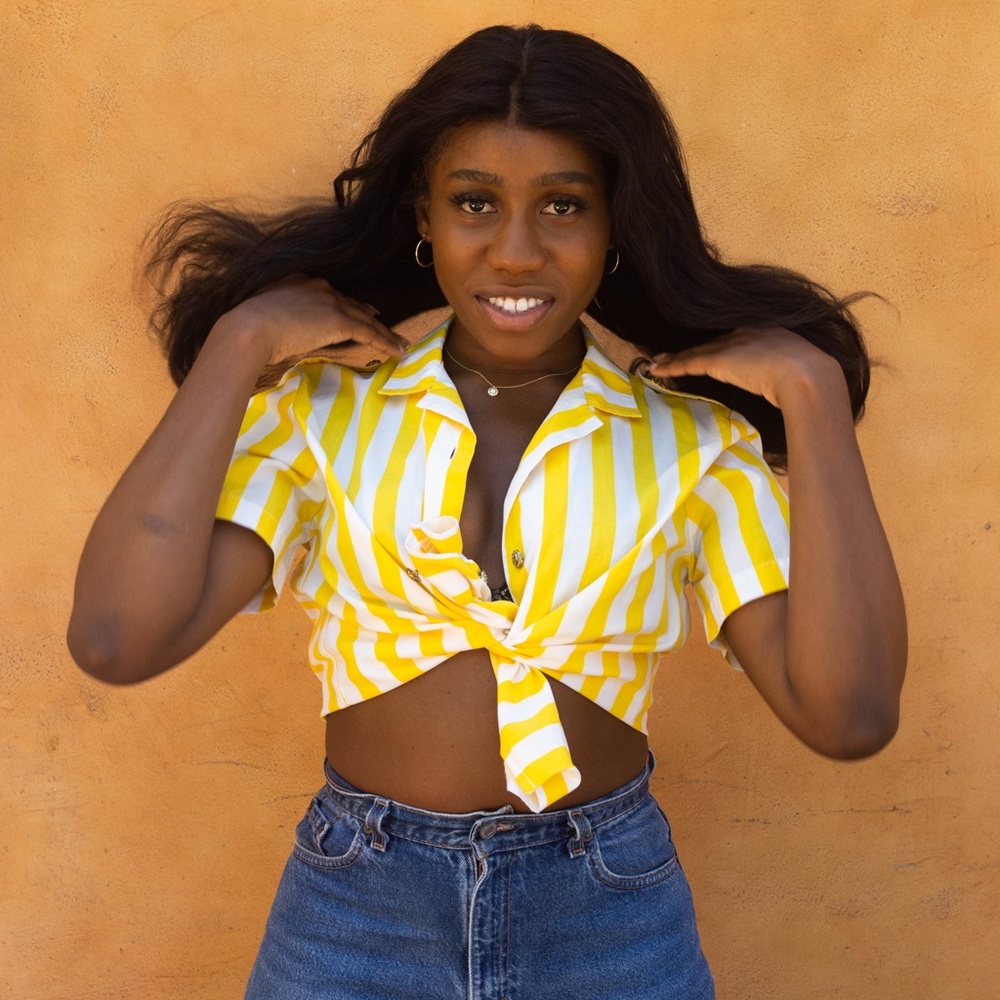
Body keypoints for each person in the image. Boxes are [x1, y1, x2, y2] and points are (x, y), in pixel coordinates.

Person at [67, 24, 907, 1000]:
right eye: (475, 202)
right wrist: (239, 343)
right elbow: (117, 638)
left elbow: (849, 715)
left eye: (563, 205)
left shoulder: (693, 443)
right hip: (355, 911)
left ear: (616, 227)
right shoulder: (321, 414)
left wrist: (811, 397)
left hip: (608, 914)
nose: (515, 252)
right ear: (423, 215)